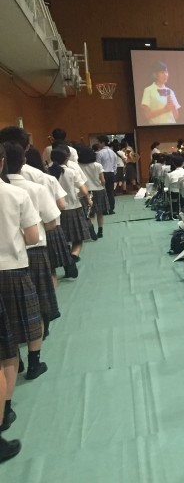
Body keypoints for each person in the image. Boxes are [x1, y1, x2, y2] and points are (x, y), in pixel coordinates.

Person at [0, 143, 44, 462]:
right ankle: (5, 410)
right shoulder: (16, 195)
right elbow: (32, 237)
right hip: (11, 269)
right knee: (8, 350)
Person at [49, 149, 92, 265]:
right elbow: (84, 191)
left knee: (63, 237)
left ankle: (67, 256)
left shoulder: (47, 173)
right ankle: (74, 256)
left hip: (56, 210)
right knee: (78, 238)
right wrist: (78, 196)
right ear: (67, 158)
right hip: (74, 207)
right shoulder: (71, 172)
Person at [77, 145, 109, 238]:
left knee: (90, 213)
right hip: (98, 190)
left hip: (85, 191)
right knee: (100, 212)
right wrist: (103, 185)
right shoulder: (97, 165)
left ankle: (91, 227)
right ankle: (100, 231)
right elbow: (102, 180)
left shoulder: (79, 166)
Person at [96, 136, 117, 214]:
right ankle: (111, 209)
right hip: (111, 173)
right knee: (110, 192)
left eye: (99, 142)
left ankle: (104, 210)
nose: (98, 144)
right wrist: (114, 173)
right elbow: (115, 166)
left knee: (103, 192)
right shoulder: (113, 153)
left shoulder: (100, 153)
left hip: (103, 173)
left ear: (103, 143)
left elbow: (98, 166)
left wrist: (98, 176)